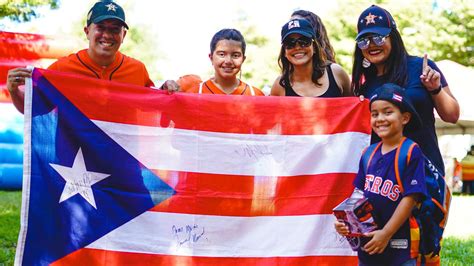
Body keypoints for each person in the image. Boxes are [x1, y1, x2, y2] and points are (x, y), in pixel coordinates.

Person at [351, 5, 460, 176]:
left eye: (379, 38)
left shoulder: (422, 68)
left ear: (393, 37)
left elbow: (452, 116)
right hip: (384, 179)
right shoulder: (363, 84)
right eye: (364, 40)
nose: (372, 45)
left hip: (425, 173)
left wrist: (435, 89)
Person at [335, 83, 428, 266]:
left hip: (399, 244)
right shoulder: (368, 153)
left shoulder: (410, 151)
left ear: (405, 118)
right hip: (369, 243)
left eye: (388, 112)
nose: (380, 119)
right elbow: (358, 196)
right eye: (375, 114)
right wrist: (347, 221)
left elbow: (411, 197)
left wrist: (386, 233)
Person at [6, 0, 154, 114]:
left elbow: (154, 108)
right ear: (87, 31)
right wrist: (14, 91)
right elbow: (33, 108)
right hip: (74, 153)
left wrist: (168, 91)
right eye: (100, 27)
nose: (107, 35)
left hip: (120, 154)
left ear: (124, 35)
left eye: (115, 30)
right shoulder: (61, 69)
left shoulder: (137, 70)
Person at [270, 18, 352, 97]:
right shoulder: (279, 85)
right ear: (284, 52)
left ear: (315, 47)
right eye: (290, 43)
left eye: (304, 41)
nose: (297, 47)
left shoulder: (336, 73)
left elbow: (353, 107)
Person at [179, 28, 264, 96]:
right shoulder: (195, 94)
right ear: (211, 57)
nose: (228, 61)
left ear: (243, 59)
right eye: (222, 54)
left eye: (235, 55)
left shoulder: (255, 95)